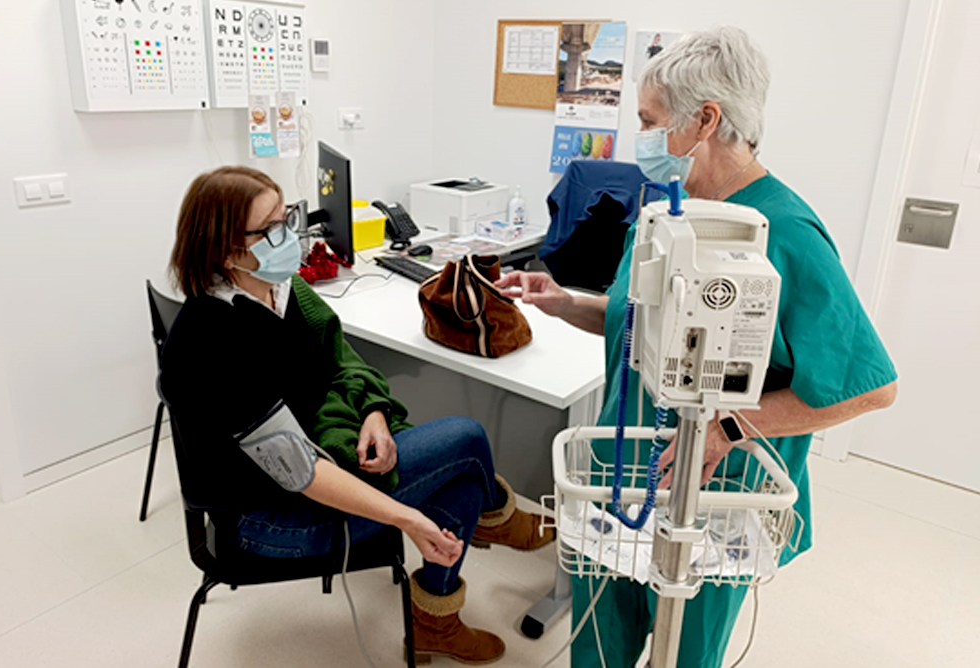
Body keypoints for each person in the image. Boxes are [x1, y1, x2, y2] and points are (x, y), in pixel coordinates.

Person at [495, 26, 898, 668]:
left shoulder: (786, 230)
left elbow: (870, 387)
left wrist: (727, 427)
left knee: (684, 651)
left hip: (713, 497)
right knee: (600, 646)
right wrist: (567, 302)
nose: (642, 137)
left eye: (650, 121)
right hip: (619, 468)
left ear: (704, 119)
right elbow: (645, 327)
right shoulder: (666, 206)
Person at [159, 165, 555, 665]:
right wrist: (407, 519)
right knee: (467, 441)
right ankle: (492, 528)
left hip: (308, 471)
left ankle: (441, 613)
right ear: (225, 249)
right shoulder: (212, 342)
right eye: (272, 230)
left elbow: (343, 363)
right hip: (269, 522)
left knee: (463, 483)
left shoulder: (280, 291)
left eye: (290, 220)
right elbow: (300, 471)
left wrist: (373, 412)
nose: (292, 239)